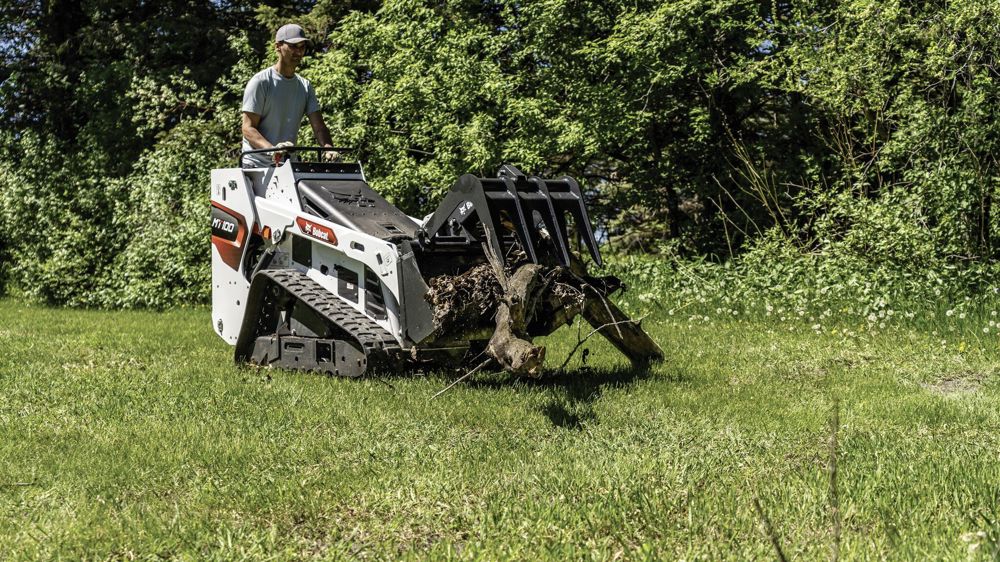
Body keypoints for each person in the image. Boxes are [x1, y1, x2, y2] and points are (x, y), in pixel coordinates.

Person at [241, 23, 336, 167]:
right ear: (278, 46)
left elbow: (319, 127)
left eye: (302, 47)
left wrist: (328, 149)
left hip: (287, 165)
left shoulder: (305, 86)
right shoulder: (261, 82)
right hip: (256, 166)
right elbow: (247, 128)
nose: (298, 52)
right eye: (293, 46)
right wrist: (273, 150)